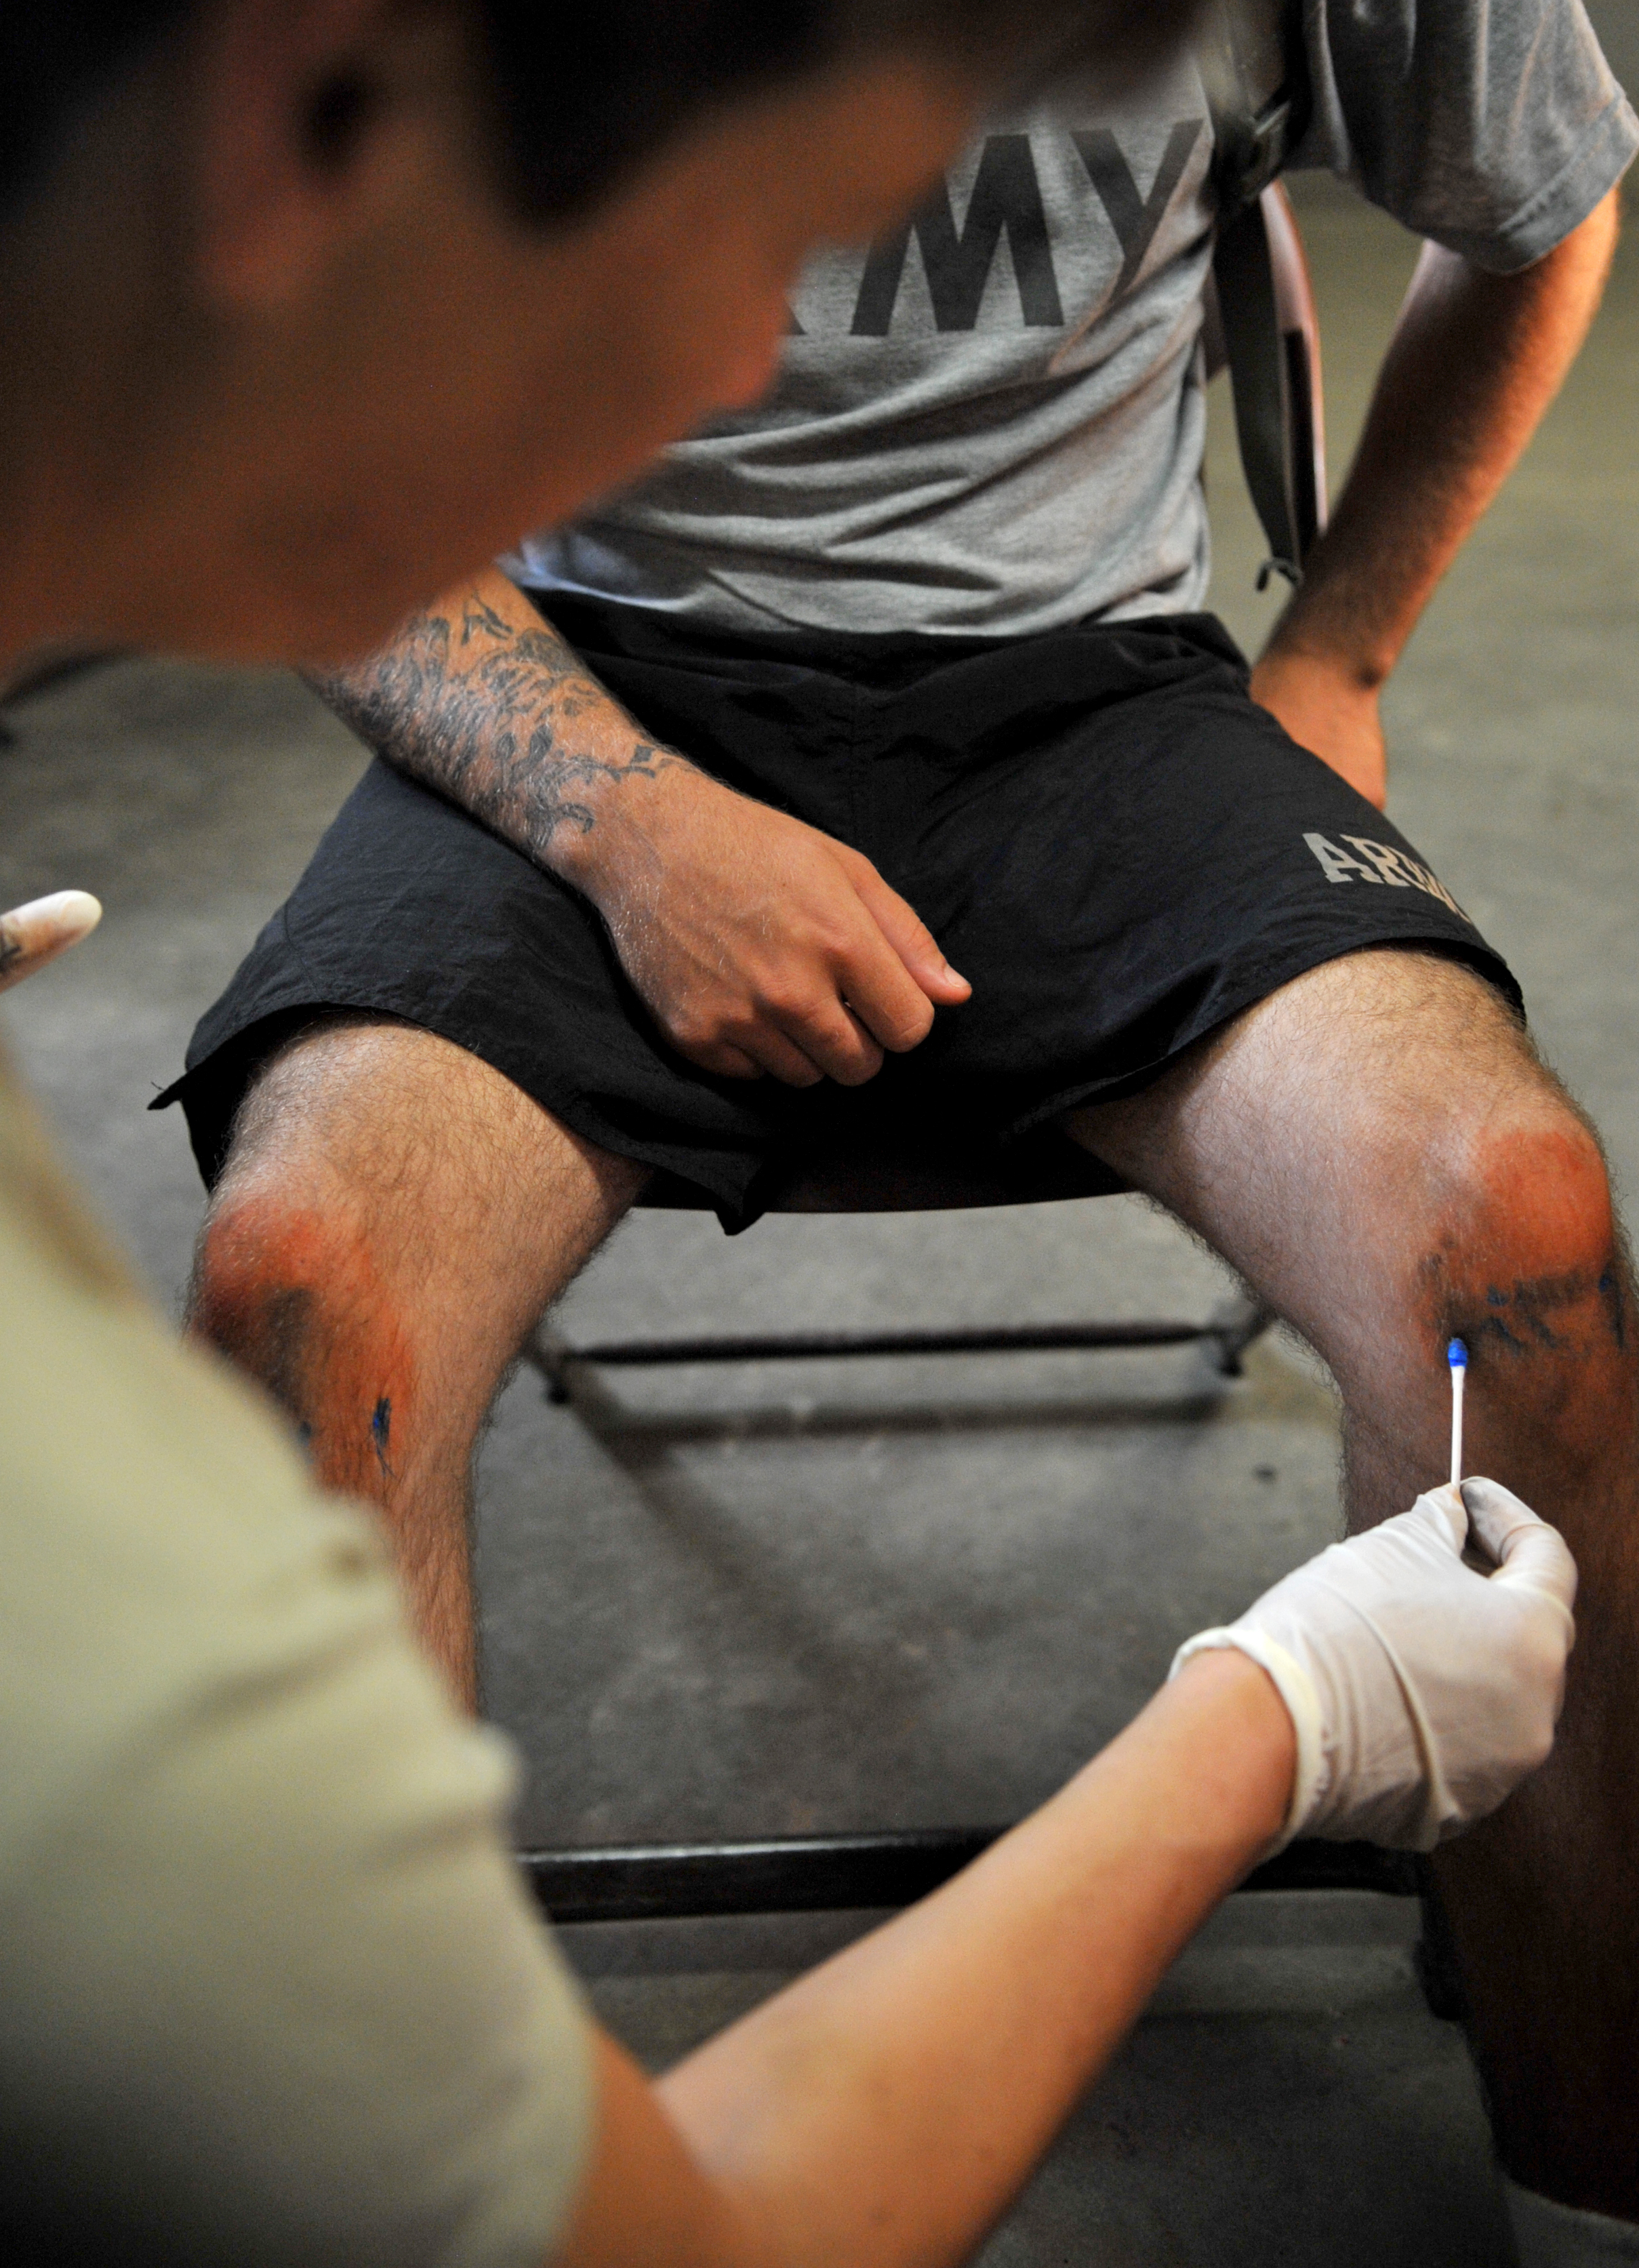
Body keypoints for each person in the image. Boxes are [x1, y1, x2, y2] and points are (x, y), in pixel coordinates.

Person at [1, 2, 1576, 2263]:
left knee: (1511, 1219)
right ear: (305, 106)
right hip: (590, 688)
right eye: (737, 223)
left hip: (1094, 695)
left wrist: (1334, 648)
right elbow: (671, 2239)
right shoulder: (52, 1516)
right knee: (301, 1280)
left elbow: (1538, 212)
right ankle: (412, 2042)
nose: (774, 350)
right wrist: (1288, 1709)